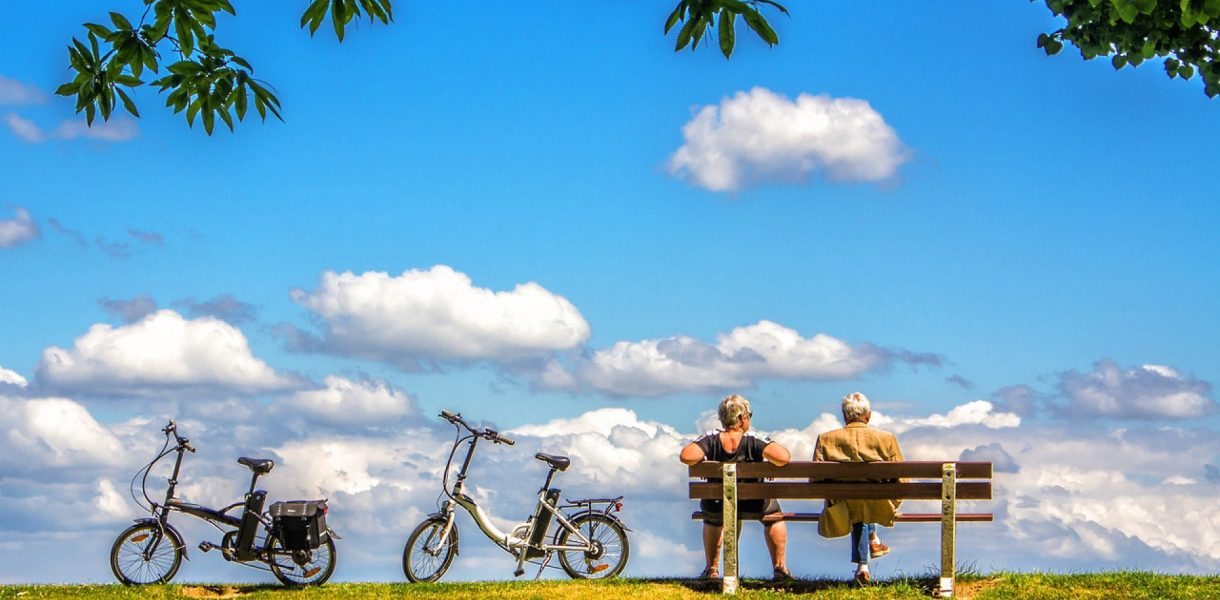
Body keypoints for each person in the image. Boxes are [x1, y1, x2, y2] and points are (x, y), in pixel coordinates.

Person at [679, 394, 793, 581]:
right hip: (754, 503)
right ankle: (779, 568)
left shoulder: (711, 439)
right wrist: (766, 464)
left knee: (713, 518)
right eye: (749, 414)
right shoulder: (754, 439)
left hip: (717, 504)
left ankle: (712, 568)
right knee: (775, 518)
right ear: (741, 418)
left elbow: (686, 456)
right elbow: (783, 457)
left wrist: (705, 463)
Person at [812, 391, 904, 585]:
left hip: (842, 506)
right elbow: (902, 479)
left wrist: (832, 495)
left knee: (854, 502)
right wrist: (892, 503)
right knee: (864, 501)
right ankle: (871, 544)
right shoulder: (886, 439)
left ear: (845, 415)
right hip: (878, 503)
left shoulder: (825, 439)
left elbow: (815, 479)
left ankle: (864, 565)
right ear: (868, 415)